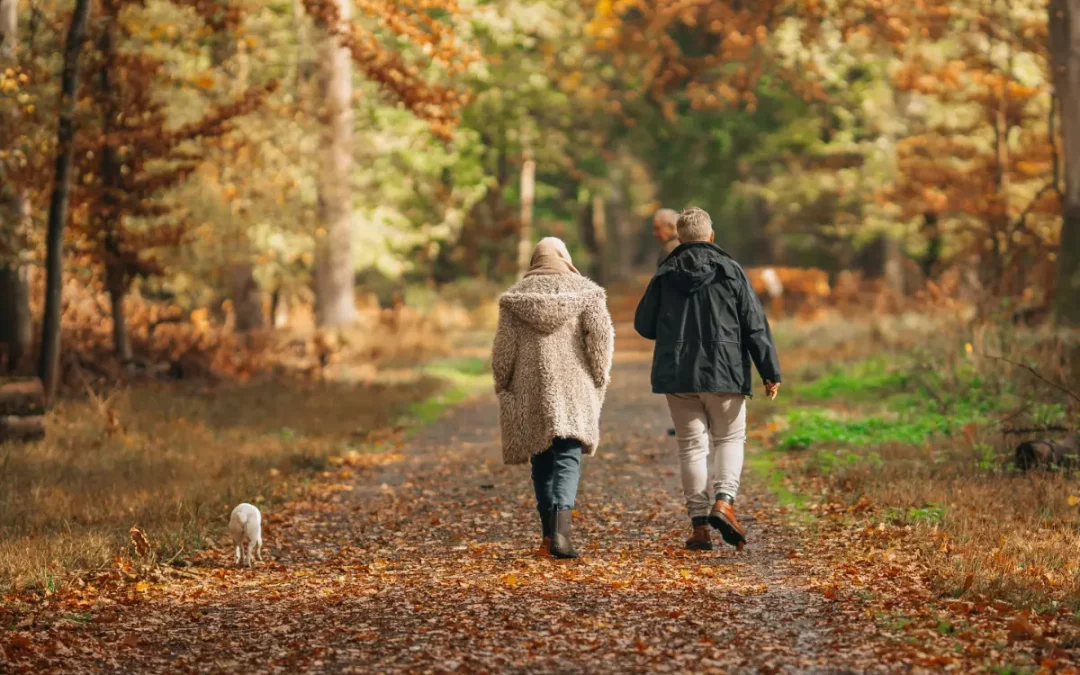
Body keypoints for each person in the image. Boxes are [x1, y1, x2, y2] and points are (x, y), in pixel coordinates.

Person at [633, 207, 781, 552]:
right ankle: (724, 501)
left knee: (691, 447)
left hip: (679, 372)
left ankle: (699, 526)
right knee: (729, 438)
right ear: (711, 236)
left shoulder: (665, 273)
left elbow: (644, 325)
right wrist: (770, 372)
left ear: (679, 237)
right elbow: (754, 324)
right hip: (726, 370)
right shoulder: (731, 270)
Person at [492, 237, 615, 559]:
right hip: (574, 387)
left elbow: (503, 350)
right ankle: (562, 535)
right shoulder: (588, 294)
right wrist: (599, 376)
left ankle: (548, 536)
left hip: (530, 388)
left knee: (542, 459)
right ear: (565, 257)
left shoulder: (514, 299)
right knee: (567, 456)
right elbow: (601, 340)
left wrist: (502, 384)